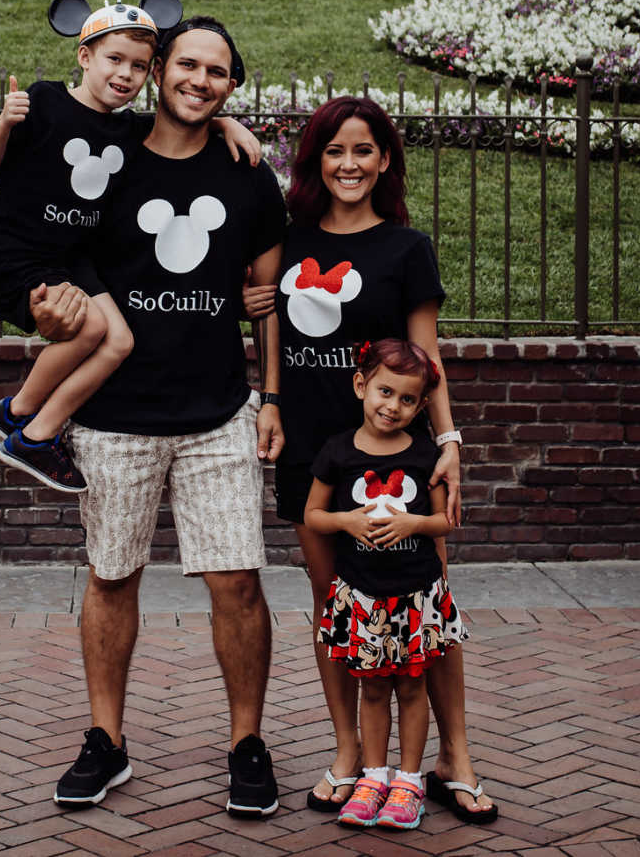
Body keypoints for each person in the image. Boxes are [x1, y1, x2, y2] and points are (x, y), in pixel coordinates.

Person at [41, 16, 287, 818]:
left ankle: (247, 745)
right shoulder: (107, 161)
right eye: (187, 64)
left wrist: (273, 396)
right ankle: (106, 741)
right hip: (115, 415)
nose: (200, 80)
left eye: (218, 71)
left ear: (231, 84)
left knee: (238, 584)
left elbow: (267, 298)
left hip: (217, 412)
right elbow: (46, 235)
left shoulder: (249, 171)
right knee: (111, 577)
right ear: (158, 71)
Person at [244, 95, 497, 824]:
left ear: (384, 159)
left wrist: (448, 446)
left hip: (401, 459)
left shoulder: (405, 248)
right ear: (313, 161)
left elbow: (429, 358)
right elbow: (265, 330)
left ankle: (455, 756)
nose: (348, 164)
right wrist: (269, 397)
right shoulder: (284, 243)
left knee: (428, 607)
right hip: (314, 452)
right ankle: (351, 753)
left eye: (363, 150)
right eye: (333, 150)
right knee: (334, 610)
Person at [0, 0, 258, 495]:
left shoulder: (126, 128)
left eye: (139, 67)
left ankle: (25, 427)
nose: (125, 74)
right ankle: (24, 416)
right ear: (84, 56)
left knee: (119, 340)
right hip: (13, 247)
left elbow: (178, 122)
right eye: (114, 60)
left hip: (66, 254)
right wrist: (5, 121)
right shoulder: (46, 101)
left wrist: (225, 119)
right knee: (91, 329)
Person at [305, 337, 468, 830]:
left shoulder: (424, 456)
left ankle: (409, 782)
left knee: (413, 689)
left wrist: (414, 525)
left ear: (421, 405)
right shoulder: (336, 452)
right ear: (361, 385)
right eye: (384, 392)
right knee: (373, 691)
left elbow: (446, 522)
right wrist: (347, 523)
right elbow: (313, 515)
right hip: (363, 596)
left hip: (415, 597)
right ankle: (373, 777)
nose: (392, 406)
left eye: (406, 399)